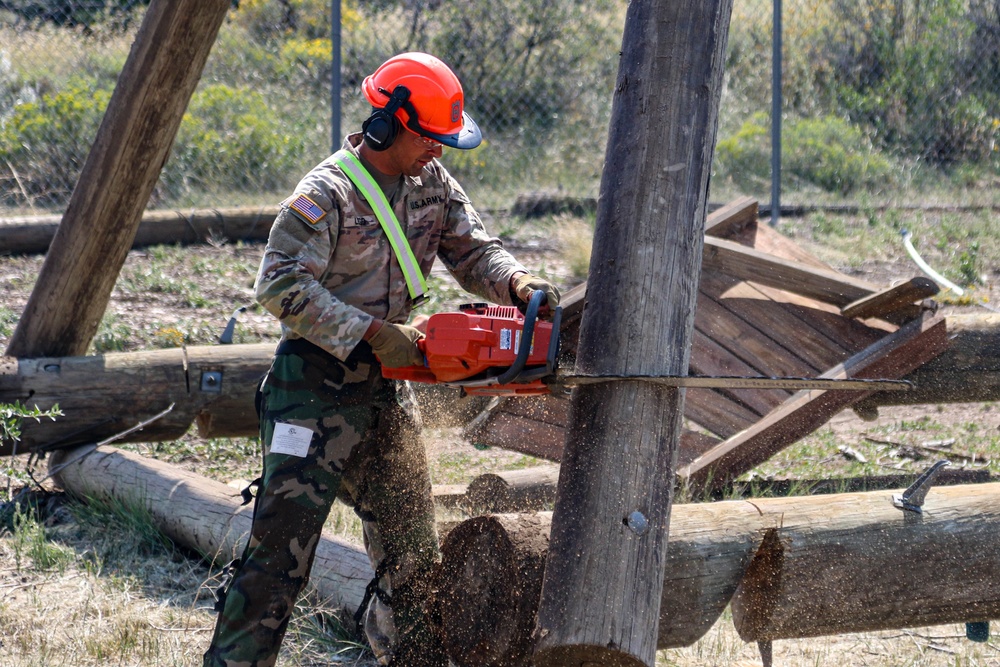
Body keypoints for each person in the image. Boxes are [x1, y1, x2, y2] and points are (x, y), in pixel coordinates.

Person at [202, 51, 560, 667]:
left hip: (388, 386)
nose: (439, 152)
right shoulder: (328, 193)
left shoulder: (433, 184)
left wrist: (519, 286)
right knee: (280, 557)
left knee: (414, 550)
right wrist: (372, 332)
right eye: (430, 137)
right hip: (312, 387)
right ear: (386, 125)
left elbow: (475, 251)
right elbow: (279, 284)